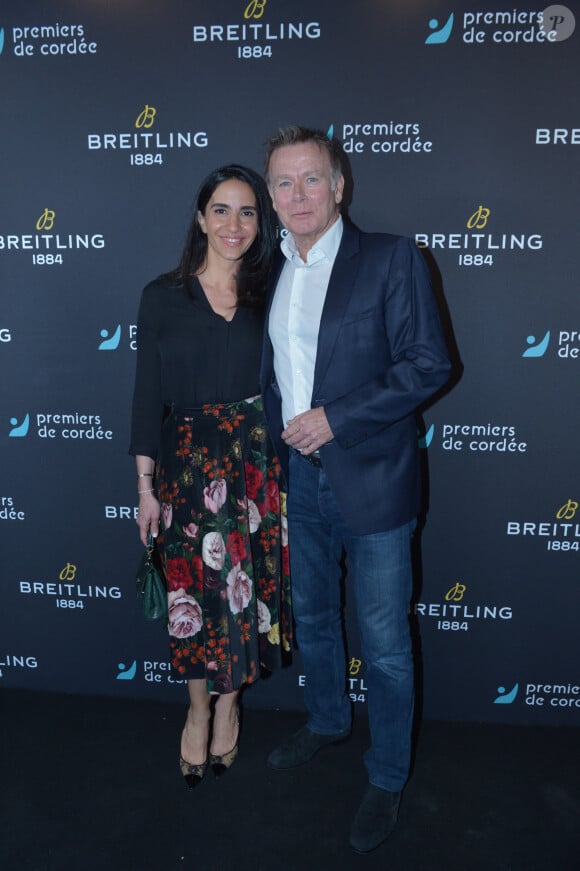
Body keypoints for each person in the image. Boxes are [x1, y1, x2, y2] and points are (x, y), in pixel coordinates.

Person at [260, 126, 451, 853]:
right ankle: (328, 718)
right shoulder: (271, 268)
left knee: (385, 644)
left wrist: (335, 419)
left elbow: (428, 363)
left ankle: (389, 771)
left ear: (341, 186)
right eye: (284, 182)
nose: (298, 195)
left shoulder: (392, 258)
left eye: (312, 179)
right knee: (312, 618)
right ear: (273, 196)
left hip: (372, 483)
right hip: (297, 485)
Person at [129, 164, 292, 789]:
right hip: (187, 473)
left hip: (254, 468)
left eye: (248, 212)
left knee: (245, 594)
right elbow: (147, 397)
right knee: (192, 599)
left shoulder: (271, 293)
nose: (234, 224)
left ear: (261, 223)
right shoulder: (162, 295)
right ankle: (198, 707)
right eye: (221, 210)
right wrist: (144, 488)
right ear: (201, 219)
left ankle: (231, 702)